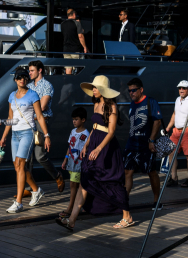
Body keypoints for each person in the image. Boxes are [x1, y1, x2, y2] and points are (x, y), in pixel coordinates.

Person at [55, 75, 133, 230]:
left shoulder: (112, 107)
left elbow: (111, 132)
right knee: (85, 181)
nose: (93, 90)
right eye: (93, 87)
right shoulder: (96, 104)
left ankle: (127, 216)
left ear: (103, 90)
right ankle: (71, 220)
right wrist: (87, 145)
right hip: (94, 143)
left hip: (107, 147)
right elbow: (95, 128)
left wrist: (98, 148)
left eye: (95, 87)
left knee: (113, 182)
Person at [0, 68, 52, 213]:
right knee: (17, 166)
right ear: (15, 80)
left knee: (21, 165)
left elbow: (39, 116)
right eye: (19, 77)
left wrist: (46, 135)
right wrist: (3, 137)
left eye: (25, 77)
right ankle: (36, 190)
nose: (23, 79)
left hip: (28, 133)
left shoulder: (32, 94)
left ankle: (19, 202)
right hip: (15, 134)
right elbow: (10, 118)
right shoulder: (11, 96)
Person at [26, 60, 65, 193]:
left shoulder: (47, 86)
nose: (29, 73)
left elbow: (42, 107)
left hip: (40, 122)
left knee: (40, 156)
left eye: (32, 70)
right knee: (27, 157)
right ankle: (30, 187)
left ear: (40, 70)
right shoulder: (29, 86)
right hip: (29, 122)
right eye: (29, 70)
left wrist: (29, 107)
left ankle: (57, 175)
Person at [124, 78, 162, 209]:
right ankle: (124, 201)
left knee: (151, 172)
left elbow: (157, 122)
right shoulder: (131, 104)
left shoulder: (150, 102)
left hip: (146, 145)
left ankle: (157, 200)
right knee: (127, 172)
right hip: (132, 144)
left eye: (134, 90)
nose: (131, 93)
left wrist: (151, 140)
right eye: (129, 91)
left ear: (141, 90)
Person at [165, 80, 188, 188]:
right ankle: (174, 178)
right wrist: (168, 127)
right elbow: (174, 114)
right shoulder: (177, 99)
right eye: (180, 88)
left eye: (184, 88)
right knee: (171, 152)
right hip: (176, 130)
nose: (181, 90)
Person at [59, 107, 89, 219]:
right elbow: (70, 146)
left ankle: (70, 208)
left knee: (73, 185)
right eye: (73, 119)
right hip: (71, 161)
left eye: (76, 119)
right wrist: (65, 159)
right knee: (76, 185)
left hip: (79, 163)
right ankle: (82, 204)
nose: (74, 121)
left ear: (83, 120)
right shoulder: (72, 131)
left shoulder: (86, 134)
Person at [61, 8, 88, 75]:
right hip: (75, 49)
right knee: (78, 67)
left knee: (68, 68)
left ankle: (68, 82)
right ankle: (77, 82)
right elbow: (80, 36)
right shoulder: (77, 23)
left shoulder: (62, 24)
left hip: (66, 49)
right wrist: (84, 47)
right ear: (74, 14)